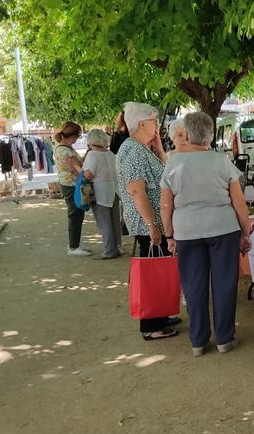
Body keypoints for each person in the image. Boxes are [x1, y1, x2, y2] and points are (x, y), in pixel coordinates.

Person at [160, 112, 250, 356]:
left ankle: (198, 341)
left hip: (187, 231)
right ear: (210, 135)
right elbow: (239, 203)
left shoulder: (173, 163)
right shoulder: (221, 161)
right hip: (224, 229)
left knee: (194, 286)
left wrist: (169, 235)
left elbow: (165, 204)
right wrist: (246, 231)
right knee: (224, 284)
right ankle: (224, 338)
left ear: (187, 135)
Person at [117, 101, 180, 342]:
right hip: (148, 225)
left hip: (154, 223)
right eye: (154, 121)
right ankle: (151, 324)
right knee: (154, 273)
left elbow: (166, 174)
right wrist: (153, 225)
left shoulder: (142, 148)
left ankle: (160, 314)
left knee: (161, 269)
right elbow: (137, 191)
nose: (157, 126)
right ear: (142, 124)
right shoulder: (133, 150)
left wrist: (161, 151)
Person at [53, 121, 91, 256]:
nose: (77, 139)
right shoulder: (66, 151)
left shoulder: (62, 147)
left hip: (68, 184)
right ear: (71, 135)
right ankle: (73, 246)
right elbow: (78, 168)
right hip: (72, 185)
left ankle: (75, 243)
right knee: (75, 215)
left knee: (77, 215)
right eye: (77, 136)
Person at [82, 129, 122, 259]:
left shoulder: (92, 155)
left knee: (104, 222)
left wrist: (79, 173)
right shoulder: (110, 154)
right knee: (115, 221)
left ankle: (109, 250)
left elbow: (89, 174)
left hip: (100, 191)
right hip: (114, 189)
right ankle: (116, 247)